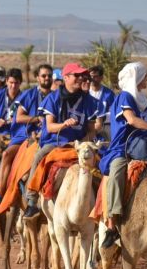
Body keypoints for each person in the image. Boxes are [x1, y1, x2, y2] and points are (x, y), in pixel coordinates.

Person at [98, 62, 147, 248]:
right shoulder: (125, 97)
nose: (145, 79)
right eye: (143, 76)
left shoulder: (144, 101)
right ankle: (112, 222)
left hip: (144, 145)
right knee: (117, 170)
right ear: (135, 78)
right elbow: (132, 120)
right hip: (122, 147)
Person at [22, 62, 98, 218]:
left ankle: (102, 210)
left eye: (82, 75)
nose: (80, 78)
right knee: (38, 156)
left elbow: (91, 130)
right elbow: (49, 127)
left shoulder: (89, 101)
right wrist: (64, 124)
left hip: (78, 145)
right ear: (66, 77)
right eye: (76, 75)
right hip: (55, 143)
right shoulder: (53, 98)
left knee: (101, 165)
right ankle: (31, 201)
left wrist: (82, 142)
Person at [0, 64, 54, 207]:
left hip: (51, 136)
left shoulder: (57, 95)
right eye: (43, 76)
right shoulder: (29, 95)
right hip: (25, 135)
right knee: (4, 155)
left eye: (49, 75)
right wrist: (37, 119)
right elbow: (18, 118)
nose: (47, 78)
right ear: (37, 78)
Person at [88, 65, 116, 141]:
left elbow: (114, 112)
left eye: (95, 76)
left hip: (105, 126)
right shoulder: (85, 92)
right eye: (90, 76)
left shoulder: (109, 94)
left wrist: (102, 117)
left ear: (101, 77)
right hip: (88, 125)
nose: (92, 79)